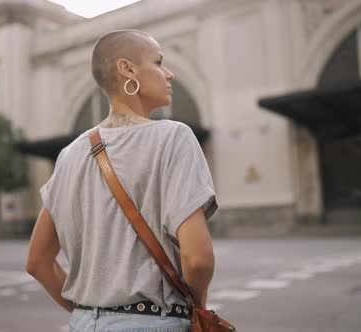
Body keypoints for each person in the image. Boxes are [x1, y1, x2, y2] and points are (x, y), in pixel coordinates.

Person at [26, 30, 218, 332]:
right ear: (128, 69)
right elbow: (198, 261)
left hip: (82, 324)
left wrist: (87, 310)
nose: (170, 74)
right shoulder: (173, 137)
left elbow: (37, 261)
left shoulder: (69, 155)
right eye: (159, 63)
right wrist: (197, 307)